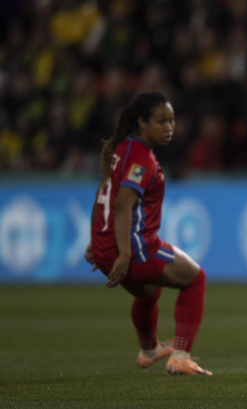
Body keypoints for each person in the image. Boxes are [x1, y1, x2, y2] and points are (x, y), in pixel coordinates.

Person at [84, 92, 212, 376]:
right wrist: (125, 254)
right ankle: (180, 355)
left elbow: (102, 196)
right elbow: (122, 204)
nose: (169, 127)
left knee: (149, 292)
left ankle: (149, 348)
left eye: (171, 120)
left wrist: (95, 241)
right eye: (160, 121)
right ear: (141, 122)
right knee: (196, 279)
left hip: (106, 248)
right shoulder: (142, 159)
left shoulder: (121, 149)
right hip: (133, 248)